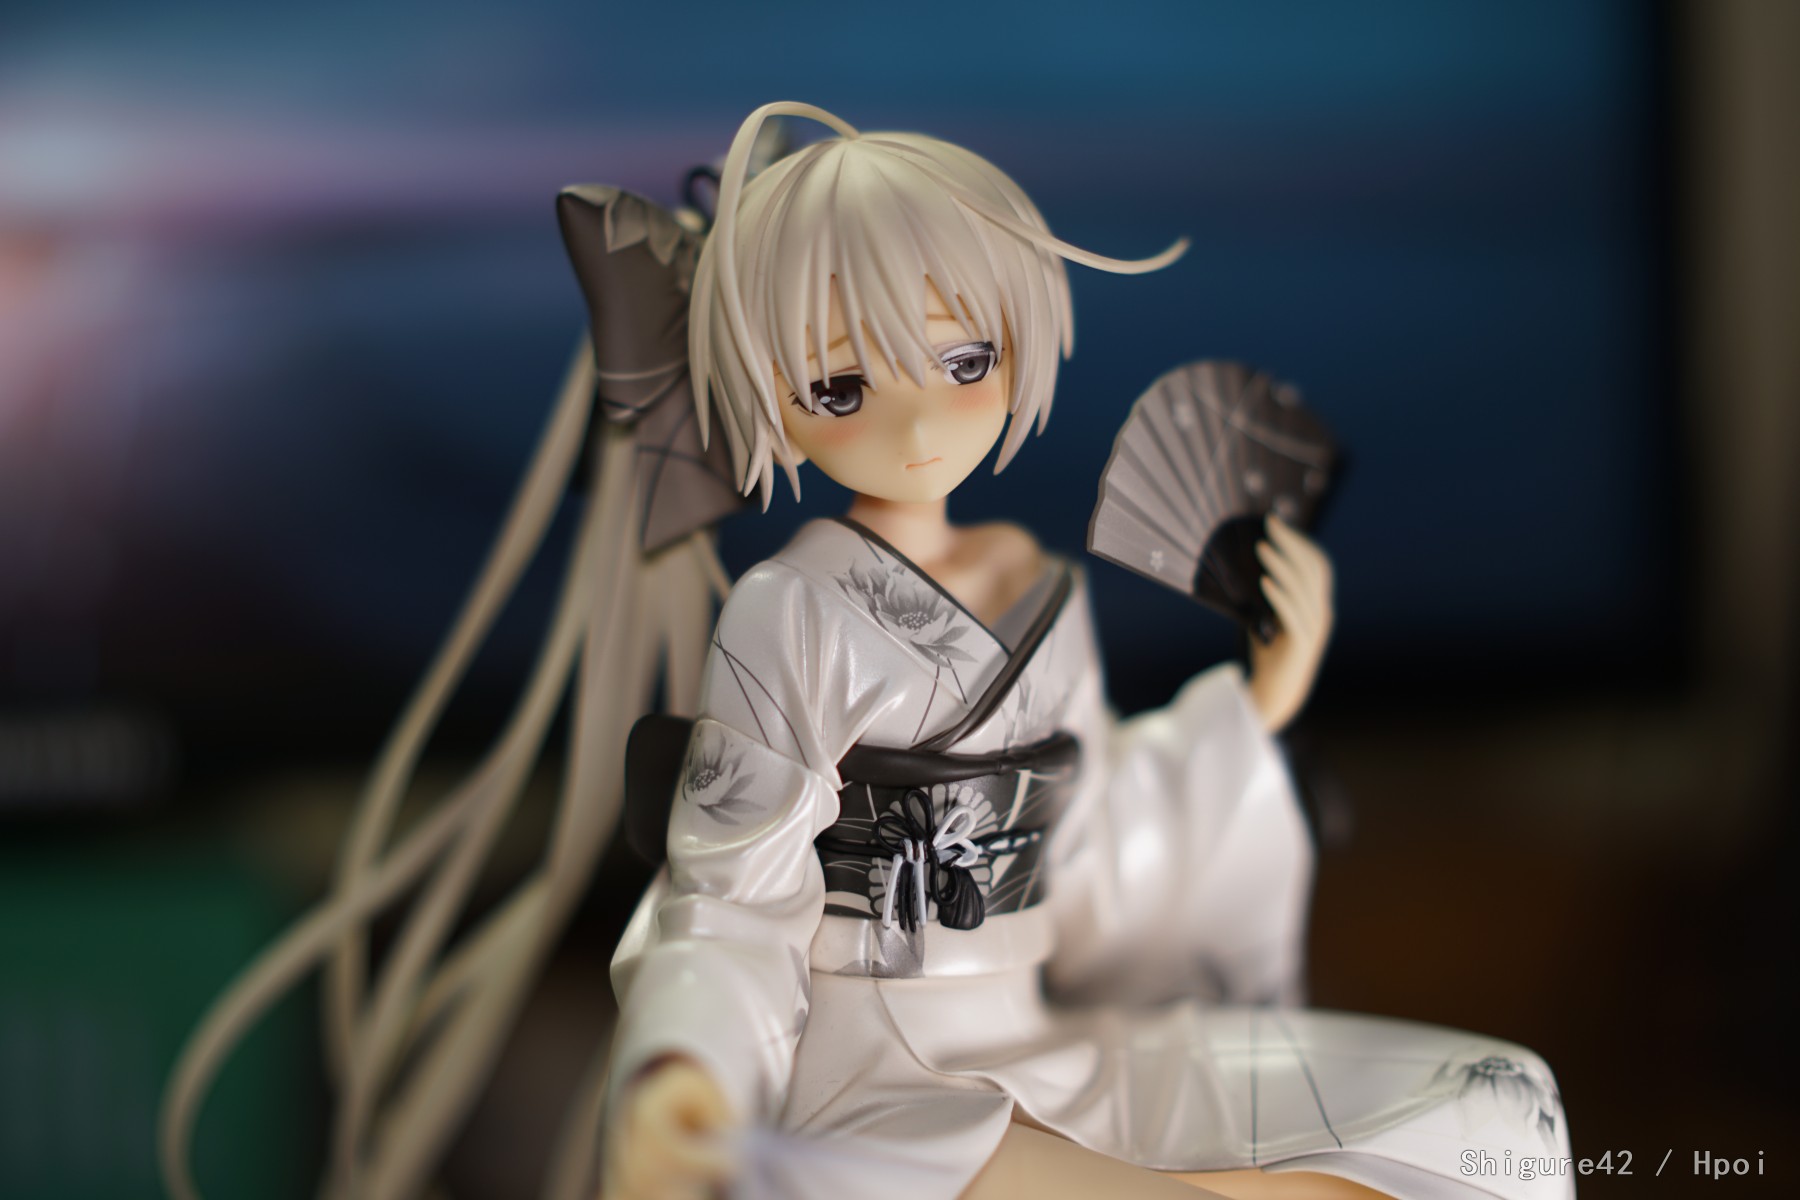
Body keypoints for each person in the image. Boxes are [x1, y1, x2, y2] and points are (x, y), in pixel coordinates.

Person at [162, 101, 1571, 1200]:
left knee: (1485, 1115)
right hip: (878, 1075)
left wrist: (1253, 705)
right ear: (771, 392)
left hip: (1046, 1029)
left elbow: (1096, 850)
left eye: (964, 363)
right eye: (841, 384)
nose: (915, 422)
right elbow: (733, 904)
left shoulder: (1042, 586)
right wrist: (681, 1073)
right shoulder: (792, 611)